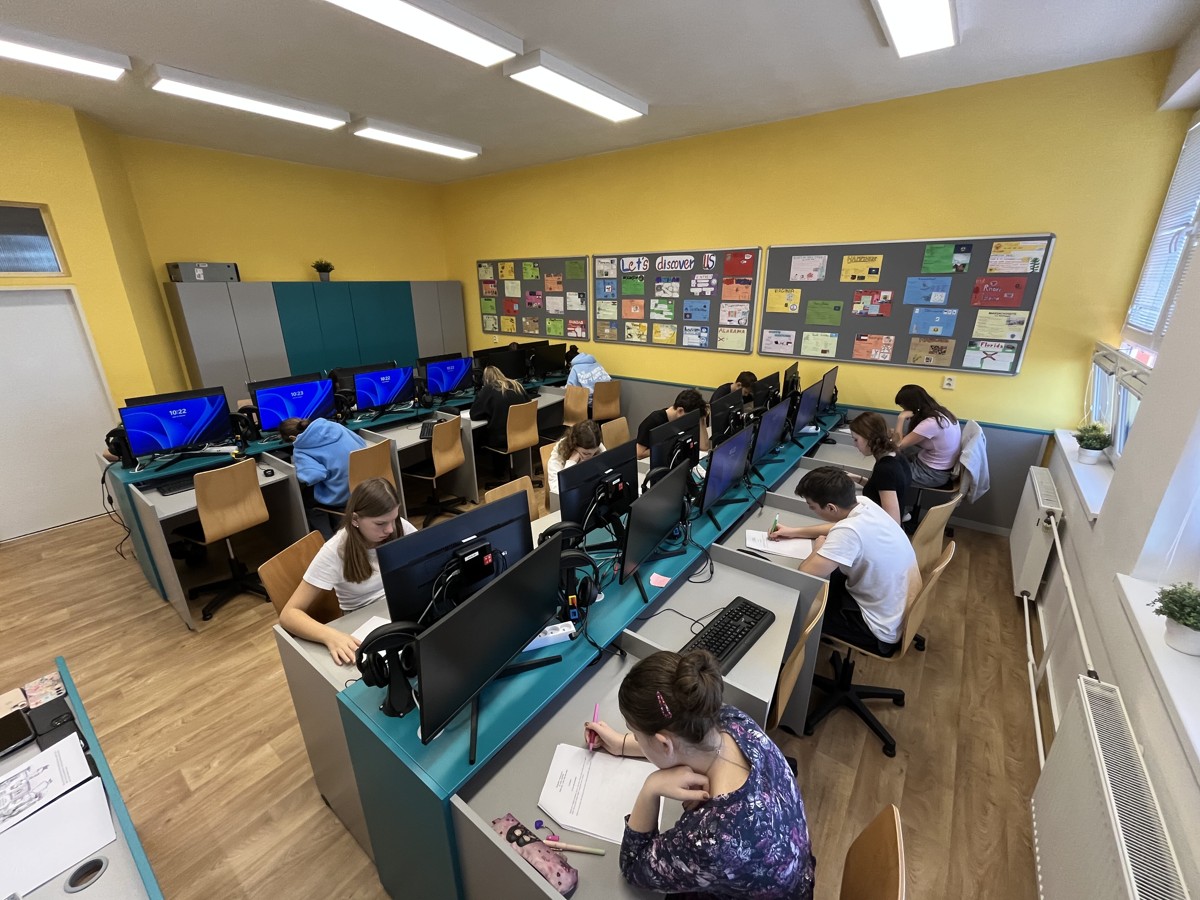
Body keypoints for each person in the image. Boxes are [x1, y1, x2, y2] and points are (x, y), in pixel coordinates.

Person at [584, 649, 815, 900]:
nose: (636, 739)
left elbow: (633, 867)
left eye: (637, 735)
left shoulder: (712, 839)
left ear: (663, 744)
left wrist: (650, 789)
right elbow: (679, 739)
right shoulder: (730, 719)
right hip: (795, 871)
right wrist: (622, 744)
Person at [774, 466, 920, 658]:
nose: (811, 510)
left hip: (876, 630)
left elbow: (805, 574)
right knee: (831, 580)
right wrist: (794, 532)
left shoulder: (849, 532)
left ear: (831, 508)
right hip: (898, 610)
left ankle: (791, 662)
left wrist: (818, 548)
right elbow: (836, 526)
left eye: (812, 506)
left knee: (802, 607)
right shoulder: (864, 504)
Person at [279, 478, 416, 664]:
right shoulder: (335, 551)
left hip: (397, 604)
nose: (390, 529)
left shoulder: (398, 526)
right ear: (355, 519)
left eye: (394, 519)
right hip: (362, 618)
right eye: (380, 523)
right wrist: (330, 636)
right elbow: (289, 614)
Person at [279, 415, 367, 510]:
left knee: (304, 498)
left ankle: (321, 518)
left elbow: (315, 476)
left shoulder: (301, 449)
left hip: (343, 496)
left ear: (293, 438)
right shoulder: (335, 426)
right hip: (367, 487)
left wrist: (300, 470)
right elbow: (362, 443)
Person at [893, 384, 961, 488]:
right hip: (934, 466)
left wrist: (901, 418)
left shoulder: (931, 423)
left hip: (931, 474)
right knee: (891, 459)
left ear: (911, 406)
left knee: (888, 474)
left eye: (904, 408)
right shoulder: (942, 413)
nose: (903, 411)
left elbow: (897, 445)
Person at [635, 388, 710, 459]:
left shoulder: (682, 420)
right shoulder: (653, 421)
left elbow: (704, 447)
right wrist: (668, 448)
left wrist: (702, 419)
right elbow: (639, 453)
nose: (691, 421)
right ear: (680, 411)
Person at [470, 365, 528, 454]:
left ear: (485, 379)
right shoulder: (516, 385)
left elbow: (474, 415)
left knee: (476, 435)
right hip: (524, 433)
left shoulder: (488, 389)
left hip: (502, 440)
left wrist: (487, 413)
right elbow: (528, 403)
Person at [546, 421, 605, 495]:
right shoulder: (558, 456)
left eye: (594, 453)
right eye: (586, 454)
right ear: (573, 446)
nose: (590, 458)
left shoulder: (595, 444)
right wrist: (571, 463)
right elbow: (557, 491)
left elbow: (607, 469)